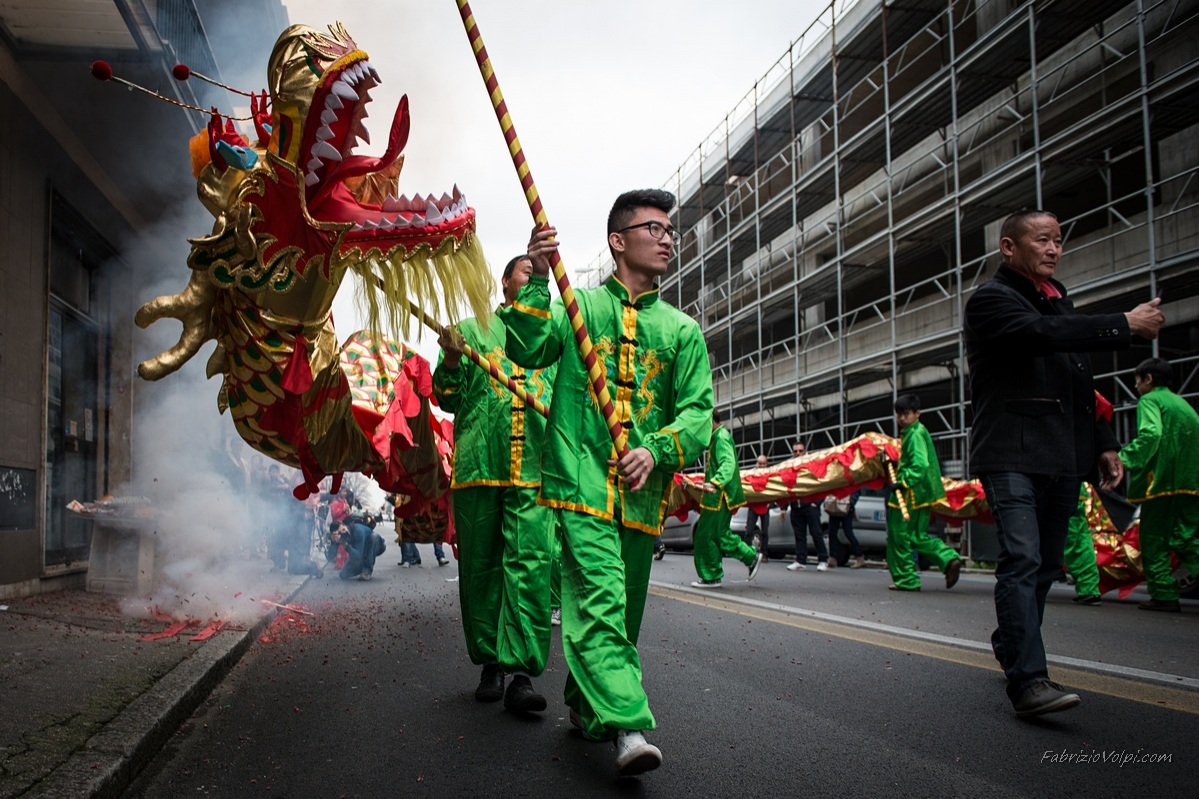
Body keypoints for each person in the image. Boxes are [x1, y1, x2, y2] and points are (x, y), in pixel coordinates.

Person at [508, 189, 713, 776]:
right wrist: (539, 277)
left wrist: (656, 448)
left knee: (622, 616)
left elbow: (698, 413)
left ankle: (585, 705)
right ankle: (627, 727)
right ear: (618, 241)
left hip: (641, 495)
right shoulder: (582, 308)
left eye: (672, 230)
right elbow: (528, 345)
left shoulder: (682, 331)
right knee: (600, 598)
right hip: (580, 481)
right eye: (656, 228)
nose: (669, 237)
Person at [963, 209, 1163, 717]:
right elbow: (1040, 336)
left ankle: (1012, 642)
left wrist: (1103, 443)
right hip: (1011, 452)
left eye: (1058, 240)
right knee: (1024, 558)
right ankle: (1029, 681)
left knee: (1049, 565)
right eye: (1042, 240)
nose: (1054, 249)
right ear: (1010, 247)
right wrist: (1123, 324)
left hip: (1061, 456)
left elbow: (1079, 382)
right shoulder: (992, 300)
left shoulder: (1058, 301)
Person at [434, 253, 556, 715]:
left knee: (528, 567)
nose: (533, 275)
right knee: (482, 570)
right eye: (526, 270)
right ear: (505, 283)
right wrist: (449, 357)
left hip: (533, 473)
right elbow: (444, 397)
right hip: (478, 466)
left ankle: (521, 674)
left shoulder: (551, 331)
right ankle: (490, 663)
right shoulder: (469, 330)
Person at [1118, 357, 1199, 612]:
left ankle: (1164, 594)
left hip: (1161, 483)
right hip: (1191, 482)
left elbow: (1151, 434)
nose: (1136, 385)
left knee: (1153, 539)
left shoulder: (1150, 400)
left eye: (1137, 380)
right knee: (1186, 538)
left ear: (1148, 379)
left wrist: (1121, 460)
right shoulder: (1183, 404)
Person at [884, 395, 963, 592]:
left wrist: (903, 481)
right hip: (919, 494)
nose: (901, 418)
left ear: (916, 414)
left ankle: (907, 579)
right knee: (915, 536)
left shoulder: (915, 434)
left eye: (905, 414)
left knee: (899, 535)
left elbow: (920, 464)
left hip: (909, 495)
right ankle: (948, 557)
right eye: (899, 414)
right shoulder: (913, 432)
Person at [690, 410, 763, 588]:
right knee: (716, 535)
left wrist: (715, 482)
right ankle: (715, 573)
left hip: (718, 497)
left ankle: (716, 573)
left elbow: (728, 463)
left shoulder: (721, 437)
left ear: (710, 421)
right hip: (716, 497)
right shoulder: (717, 438)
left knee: (707, 535)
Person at [786, 442, 829, 572]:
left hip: (810, 505)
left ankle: (823, 560)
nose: (798, 453)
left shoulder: (813, 464)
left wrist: (817, 502)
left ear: (805, 451)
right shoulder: (790, 466)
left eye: (800, 451)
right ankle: (800, 560)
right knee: (799, 534)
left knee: (816, 533)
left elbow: (822, 482)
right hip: (796, 505)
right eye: (795, 451)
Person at [1062, 485, 1102, 605]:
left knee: (1073, 538)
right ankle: (1088, 588)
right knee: (1079, 537)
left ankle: (1088, 588)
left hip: (1065, 488)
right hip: (1072, 489)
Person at [329, 502, 386, 581]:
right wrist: (334, 543)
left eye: (342, 529)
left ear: (343, 526)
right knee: (343, 575)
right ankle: (360, 568)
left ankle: (367, 570)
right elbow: (330, 557)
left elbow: (358, 556)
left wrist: (346, 546)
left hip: (377, 545)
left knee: (373, 537)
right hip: (359, 550)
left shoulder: (358, 531)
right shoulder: (341, 537)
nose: (343, 532)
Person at [826, 489, 866, 569]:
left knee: (848, 533)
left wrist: (851, 503)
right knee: (832, 532)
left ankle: (860, 557)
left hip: (845, 506)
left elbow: (856, 490)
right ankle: (832, 558)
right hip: (835, 504)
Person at [743, 454, 772, 556]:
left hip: (765, 505)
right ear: (757, 463)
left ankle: (764, 553)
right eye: (760, 463)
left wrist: (769, 502)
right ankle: (746, 552)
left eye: (764, 464)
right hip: (754, 506)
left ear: (766, 464)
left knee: (765, 532)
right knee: (749, 530)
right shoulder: (751, 474)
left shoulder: (770, 474)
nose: (762, 466)